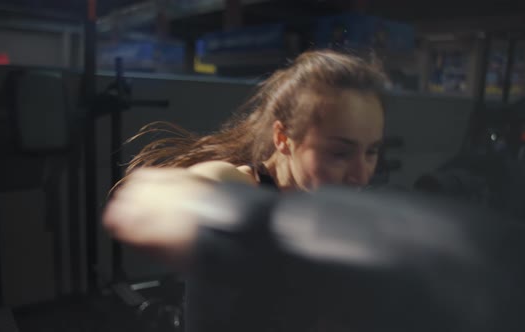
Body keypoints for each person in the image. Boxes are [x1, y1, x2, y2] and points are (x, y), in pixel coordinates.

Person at [102, 49, 388, 332]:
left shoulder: (332, 207)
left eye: (371, 152)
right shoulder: (239, 182)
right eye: (339, 153)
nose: (360, 175)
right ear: (283, 138)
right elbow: (152, 201)